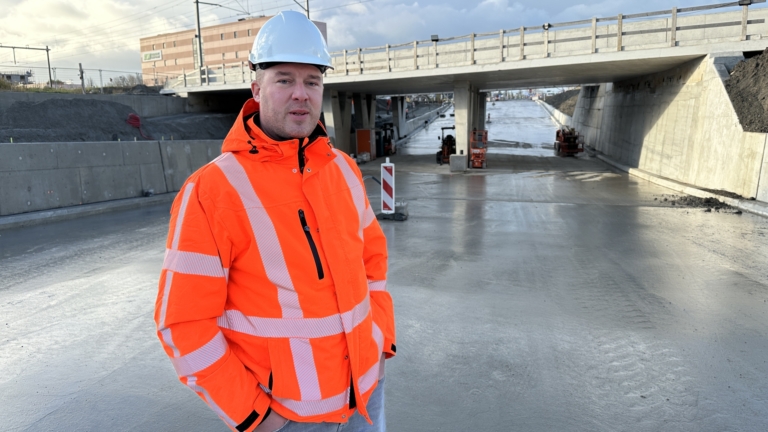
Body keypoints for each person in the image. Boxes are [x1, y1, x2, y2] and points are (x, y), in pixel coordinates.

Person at [154, 11, 396, 432]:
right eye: (284, 80)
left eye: (312, 81)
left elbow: (373, 266)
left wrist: (379, 343)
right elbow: (183, 324)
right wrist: (256, 417)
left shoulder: (342, 169)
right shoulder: (213, 191)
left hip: (365, 395)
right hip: (288, 418)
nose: (300, 94)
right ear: (256, 88)